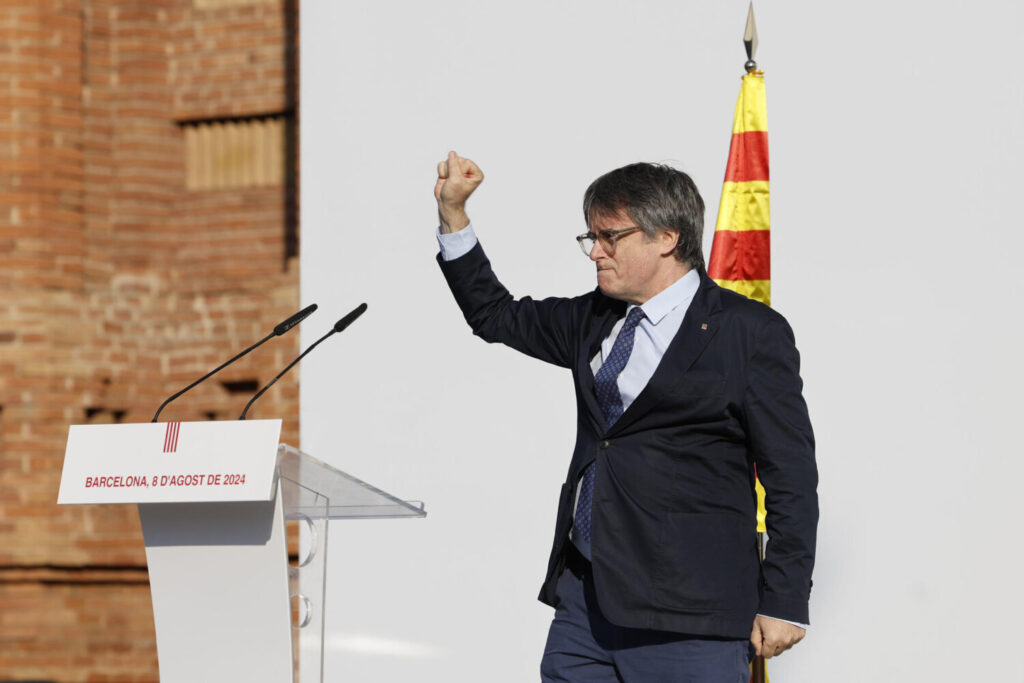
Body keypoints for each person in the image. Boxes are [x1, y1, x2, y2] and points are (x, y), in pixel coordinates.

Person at [433, 151, 817, 683]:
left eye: (610, 237)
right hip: (585, 608)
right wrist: (453, 213)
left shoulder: (747, 333)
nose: (595, 252)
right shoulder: (592, 317)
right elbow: (494, 315)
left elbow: (790, 475)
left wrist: (785, 599)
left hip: (690, 618)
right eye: (590, 237)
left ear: (668, 238)